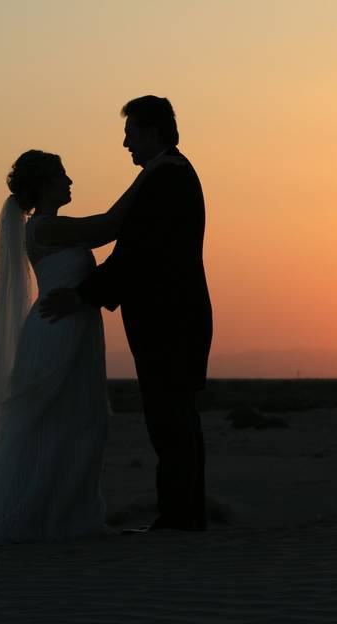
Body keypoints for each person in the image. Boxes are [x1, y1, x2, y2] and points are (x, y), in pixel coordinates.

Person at [0, 149, 173, 549]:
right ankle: (30, 517)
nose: (70, 182)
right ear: (45, 185)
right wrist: (150, 174)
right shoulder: (44, 229)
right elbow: (107, 227)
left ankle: (64, 514)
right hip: (55, 332)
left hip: (76, 331)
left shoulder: (51, 227)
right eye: (62, 176)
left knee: (79, 422)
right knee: (50, 421)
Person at [41, 96, 213, 533]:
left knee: (170, 419)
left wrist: (81, 295)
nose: (125, 144)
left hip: (169, 320)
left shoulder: (167, 179)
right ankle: (185, 514)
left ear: (152, 132)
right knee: (177, 418)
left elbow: (138, 254)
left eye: (130, 134)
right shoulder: (168, 175)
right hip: (176, 317)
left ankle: (179, 519)